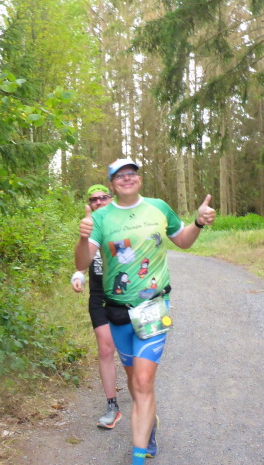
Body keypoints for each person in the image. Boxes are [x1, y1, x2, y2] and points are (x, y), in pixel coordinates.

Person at [75, 159, 216, 465]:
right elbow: (82, 263)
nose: (127, 178)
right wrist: (83, 237)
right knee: (134, 381)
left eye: (132, 173)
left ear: (138, 179)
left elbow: (183, 242)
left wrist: (198, 223)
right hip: (117, 312)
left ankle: (138, 458)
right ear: (112, 183)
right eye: (119, 175)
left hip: (154, 306)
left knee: (142, 381)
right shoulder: (101, 217)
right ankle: (149, 422)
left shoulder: (158, 207)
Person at [71, 184, 121, 429]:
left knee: (130, 354)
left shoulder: (122, 222)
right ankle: (112, 406)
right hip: (99, 295)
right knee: (105, 349)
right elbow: (83, 259)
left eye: (103, 197)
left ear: (112, 199)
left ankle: (142, 398)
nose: (99, 202)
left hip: (124, 294)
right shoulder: (89, 226)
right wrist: (78, 275)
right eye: (94, 199)